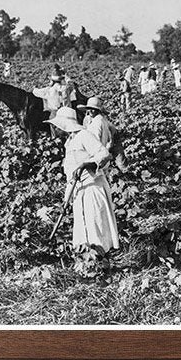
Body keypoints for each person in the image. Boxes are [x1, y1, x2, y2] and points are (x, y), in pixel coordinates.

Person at [47, 106, 119, 252]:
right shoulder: (70, 142)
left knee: (95, 224)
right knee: (83, 226)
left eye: (56, 127)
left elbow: (104, 154)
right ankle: (86, 257)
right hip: (79, 189)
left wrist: (88, 164)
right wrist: (66, 199)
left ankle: (100, 257)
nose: (55, 130)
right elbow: (70, 175)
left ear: (64, 126)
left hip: (92, 186)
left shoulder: (84, 136)